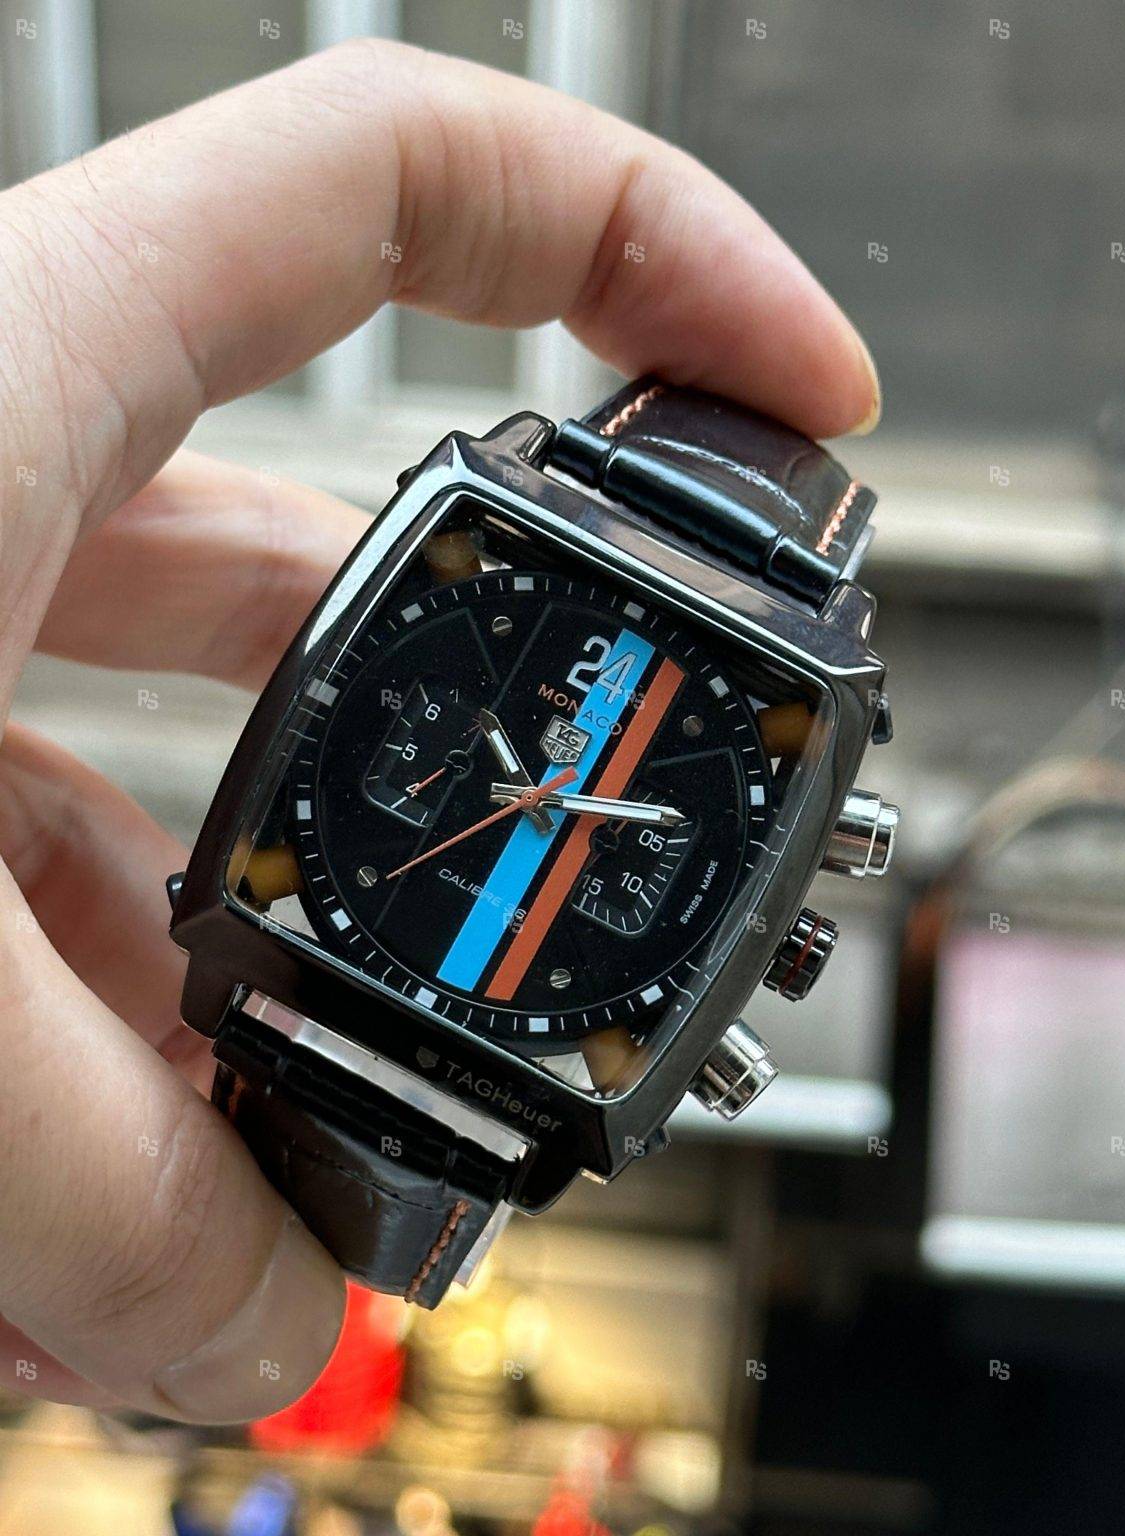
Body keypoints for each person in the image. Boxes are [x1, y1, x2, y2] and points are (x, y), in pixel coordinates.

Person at [0, 40, 880, 1424]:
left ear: (781, 929)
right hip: (350, 960)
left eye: (595, 825)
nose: (544, 806)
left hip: (385, 978)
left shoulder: (761, 698)